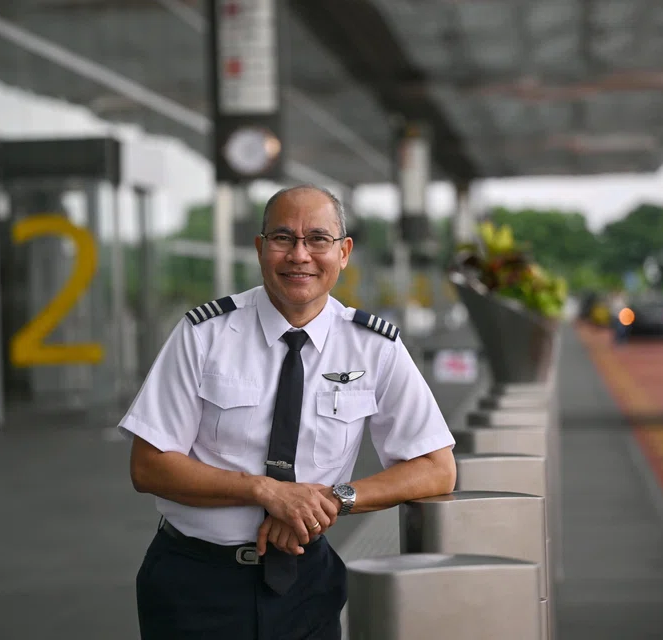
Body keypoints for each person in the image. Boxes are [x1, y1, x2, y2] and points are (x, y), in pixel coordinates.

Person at [118, 184, 456, 639]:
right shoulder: (205, 334)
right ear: (260, 248)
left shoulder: (374, 347)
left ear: (344, 252)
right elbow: (149, 466)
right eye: (283, 238)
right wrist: (267, 493)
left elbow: (436, 468)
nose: (300, 255)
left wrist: (329, 501)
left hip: (306, 583)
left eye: (318, 239)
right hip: (195, 584)